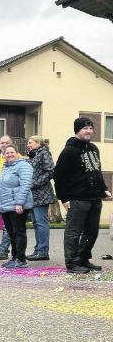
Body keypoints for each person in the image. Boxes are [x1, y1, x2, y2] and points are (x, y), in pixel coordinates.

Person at [54, 117, 112, 274]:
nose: (89, 131)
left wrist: (103, 189)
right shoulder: (69, 151)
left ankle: (83, 259)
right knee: (73, 232)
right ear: (77, 130)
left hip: (94, 198)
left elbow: (96, 172)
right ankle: (72, 264)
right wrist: (64, 199)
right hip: (78, 199)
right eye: (85, 128)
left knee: (92, 232)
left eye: (91, 128)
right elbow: (59, 176)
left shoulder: (94, 149)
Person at [0, 145, 33, 269]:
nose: (9, 154)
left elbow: (26, 185)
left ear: (17, 153)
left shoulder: (24, 166)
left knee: (19, 232)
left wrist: (19, 203)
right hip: (6, 206)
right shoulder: (5, 167)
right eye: (7, 153)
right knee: (11, 233)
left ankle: (21, 259)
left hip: (17, 205)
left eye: (12, 152)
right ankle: (15, 257)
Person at [26, 136, 55, 261]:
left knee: (41, 223)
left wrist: (35, 183)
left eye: (30, 143)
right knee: (36, 223)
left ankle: (43, 251)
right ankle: (38, 249)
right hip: (33, 195)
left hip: (42, 194)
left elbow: (50, 171)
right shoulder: (33, 156)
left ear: (38, 143)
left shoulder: (44, 153)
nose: (28, 145)